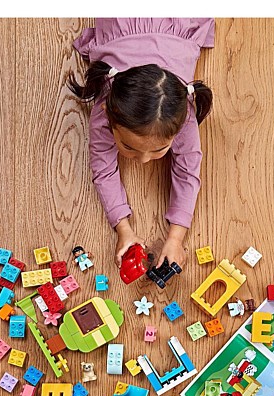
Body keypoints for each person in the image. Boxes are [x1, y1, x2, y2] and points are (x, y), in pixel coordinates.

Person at [68, 18, 215, 269]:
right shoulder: (105, 110)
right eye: (129, 147)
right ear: (108, 116)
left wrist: (176, 237)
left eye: (159, 149)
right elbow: (103, 169)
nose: (145, 160)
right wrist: (122, 228)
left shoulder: (184, 116)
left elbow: (188, 172)